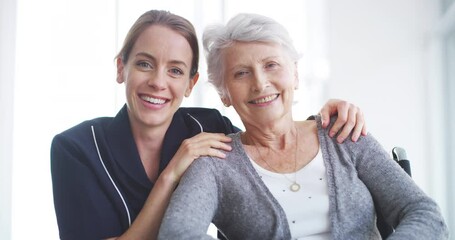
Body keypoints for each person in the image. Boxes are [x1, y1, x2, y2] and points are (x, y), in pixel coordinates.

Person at [50, 10, 367, 240]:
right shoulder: (76, 148)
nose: (158, 82)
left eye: (175, 71)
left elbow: (268, 140)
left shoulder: (208, 126)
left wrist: (322, 122)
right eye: (144, 64)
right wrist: (169, 176)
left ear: (191, 83)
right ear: (122, 68)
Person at [158, 13, 449, 240]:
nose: (260, 83)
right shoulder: (214, 164)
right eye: (242, 73)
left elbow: (424, 214)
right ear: (224, 93)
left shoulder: (343, 135)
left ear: (295, 75)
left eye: (272, 65)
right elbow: (177, 234)